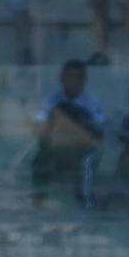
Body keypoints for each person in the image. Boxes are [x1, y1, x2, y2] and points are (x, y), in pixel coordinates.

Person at [32, 58, 103, 207]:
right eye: (69, 76)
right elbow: (39, 129)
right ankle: (38, 197)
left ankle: (85, 200)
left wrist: (70, 125)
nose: (73, 80)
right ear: (62, 78)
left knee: (88, 159)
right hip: (56, 146)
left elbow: (96, 135)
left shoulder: (92, 103)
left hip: (80, 148)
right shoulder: (51, 100)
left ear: (84, 80)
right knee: (40, 156)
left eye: (78, 76)